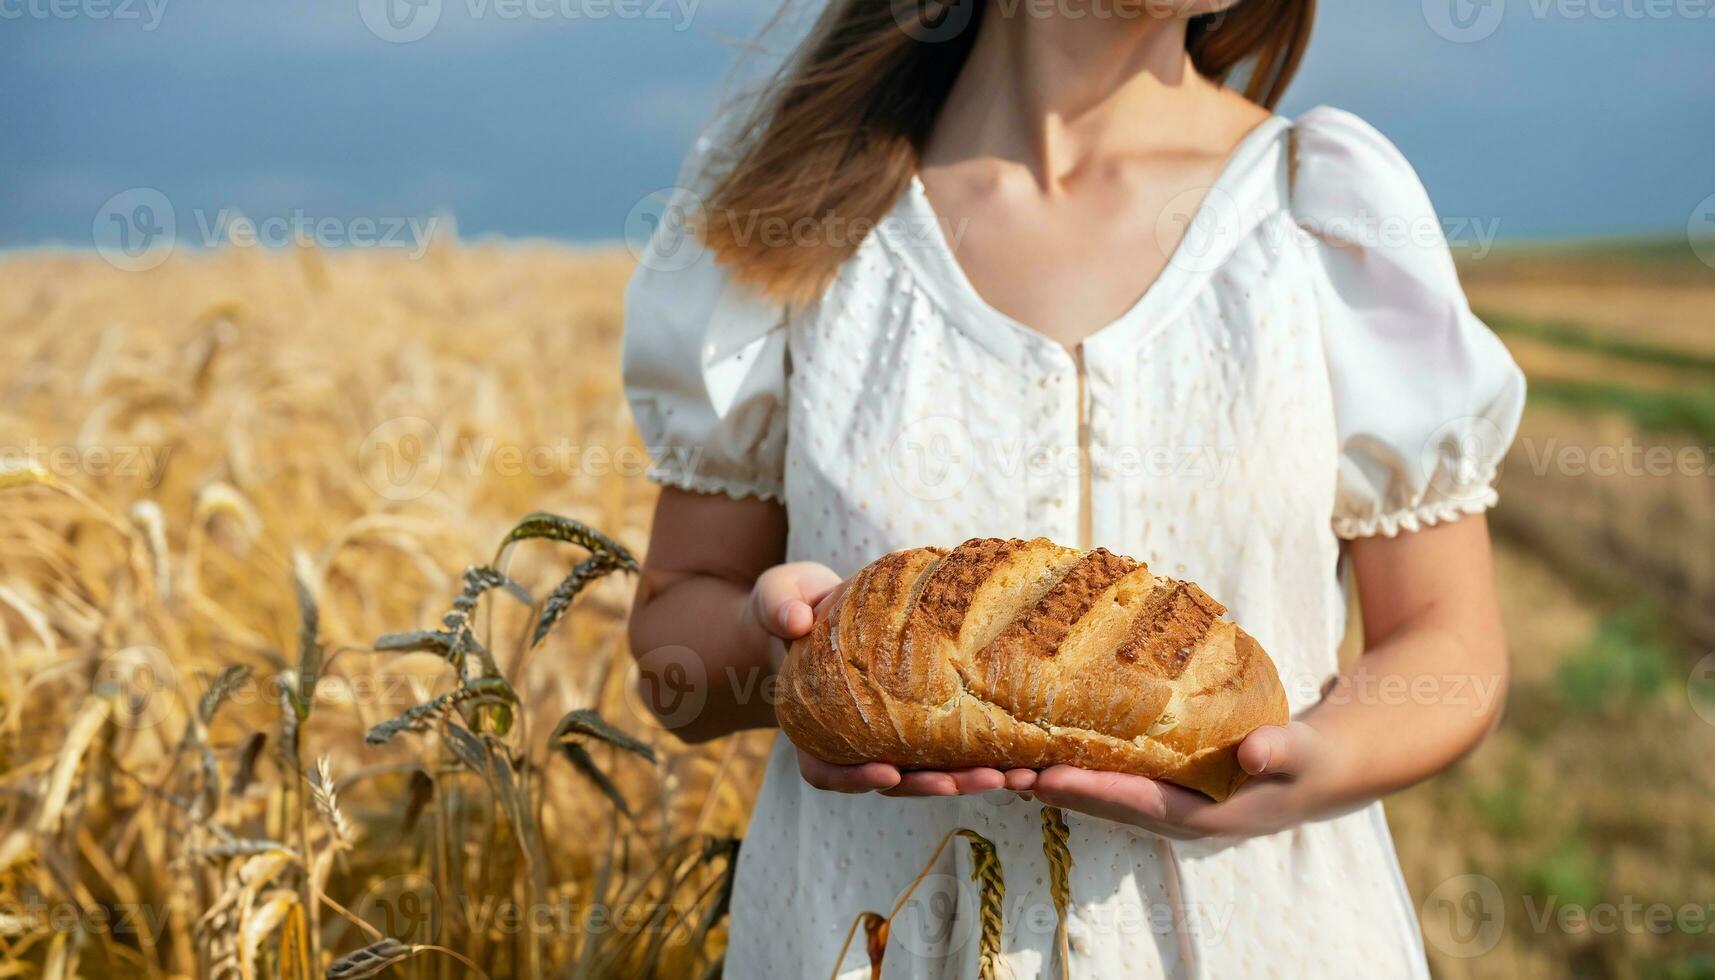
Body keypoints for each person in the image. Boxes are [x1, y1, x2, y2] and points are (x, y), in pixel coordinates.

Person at [622, 1, 1525, 975]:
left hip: (1269, 936)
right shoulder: (800, 210)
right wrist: (785, 653)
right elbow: (671, 645)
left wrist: (1315, 766)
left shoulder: (1324, 213)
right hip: (869, 939)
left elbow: (1447, 635)